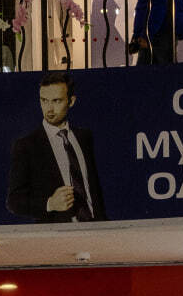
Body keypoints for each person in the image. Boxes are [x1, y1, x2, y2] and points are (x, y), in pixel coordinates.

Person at [6, 71, 107, 223]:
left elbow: (93, 188)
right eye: (44, 101)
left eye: (57, 101)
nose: (49, 109)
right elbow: (14, 201)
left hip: (96, 230)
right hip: (57, 235)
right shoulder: (26, 146)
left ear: (71, 101)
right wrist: (49, 204)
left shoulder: (84, 137)